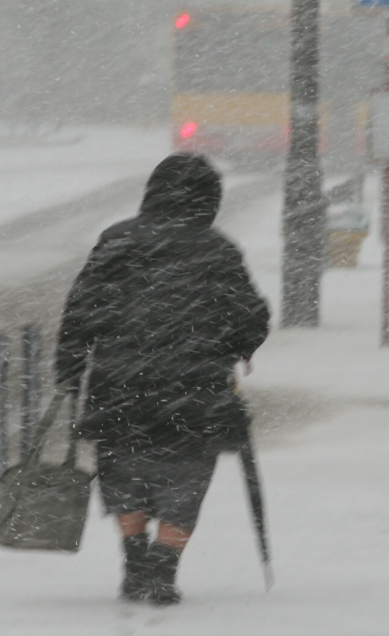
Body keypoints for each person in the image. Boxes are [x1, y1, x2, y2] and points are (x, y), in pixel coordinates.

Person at [55, 153, 270, 605]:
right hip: (194, 386)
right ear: (209, 200)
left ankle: (135, 559)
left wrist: (71, 367)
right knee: (186, 477)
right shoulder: (217, 249)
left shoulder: (116, 241)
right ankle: (163, 568)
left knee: (123, 472)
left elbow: (81, 310)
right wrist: (235, 347)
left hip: (120, 382)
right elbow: (251, 314)